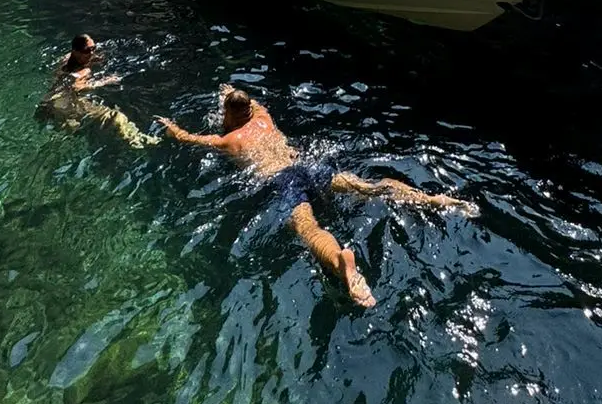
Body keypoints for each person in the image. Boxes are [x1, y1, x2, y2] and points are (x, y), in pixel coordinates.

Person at [156, 85, 477, 308]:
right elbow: (248, 104)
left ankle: (341, 262)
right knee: (367, 186)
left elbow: (187, 138)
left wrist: (171, 128)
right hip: (306, 165)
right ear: (250, 109)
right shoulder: (264, 119)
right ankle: (433, 199)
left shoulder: (230, 141)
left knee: (306, 228)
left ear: (227, 114)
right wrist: (234, 95)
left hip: (282, 181)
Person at [38, 34, 155, 148]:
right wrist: (104, 81)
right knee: (115, 117)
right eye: (87, 51)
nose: (92, 53)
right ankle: (140, 141)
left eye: (93, 48)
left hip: (49, 100)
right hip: (63, 103)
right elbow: (76, 86)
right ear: (76, 52)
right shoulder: (82, 72)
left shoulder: (65, 60)